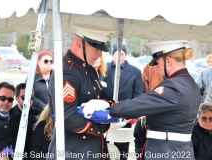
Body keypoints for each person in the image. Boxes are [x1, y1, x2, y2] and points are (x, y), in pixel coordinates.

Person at [109, 40, 201, 160]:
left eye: (157, 63)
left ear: (168, 60)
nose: (156, 68)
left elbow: (138, 105)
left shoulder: (173, 87)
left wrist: (112, 107)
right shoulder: (191, 83)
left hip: (166, 151)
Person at [47, 24, 115, 160]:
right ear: (79, 43)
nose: (100, 54)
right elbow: (68, 118)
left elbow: (106, 99)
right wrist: (100, 127)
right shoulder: (67, 71)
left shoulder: (88, 69)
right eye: (96, 48)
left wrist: (110, 107)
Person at [105, 43, 143, 160]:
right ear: (113, 55)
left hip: (125, 116)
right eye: (117, 53)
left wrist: (134, 114)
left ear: (125, 55)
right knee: (105, 148)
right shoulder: (104, 69)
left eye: (122, 54)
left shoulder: (135, 72)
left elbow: (137, 96)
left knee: (122, 150)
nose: (119, 56)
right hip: (105, 115)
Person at [12, 83, 41, 154]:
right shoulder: (10, 115)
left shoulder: (39, 115)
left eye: (31, 97)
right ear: (16, 98)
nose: (27, 100)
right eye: (24, 97)